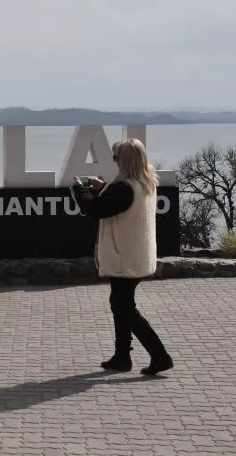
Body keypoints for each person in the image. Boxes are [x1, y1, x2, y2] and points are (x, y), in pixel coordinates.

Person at [71, 138, 174, 376]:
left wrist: (79, 189)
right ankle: (122, 356)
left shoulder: (124, 188)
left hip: (123, 256)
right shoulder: (144, 182)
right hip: (136, 254)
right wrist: (103, 187)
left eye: (116, 157)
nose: (114, 160)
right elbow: (116, 202)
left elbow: (96, 209)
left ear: (124, 160)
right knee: (120, 304)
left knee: (125, 307)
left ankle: (159, 356)